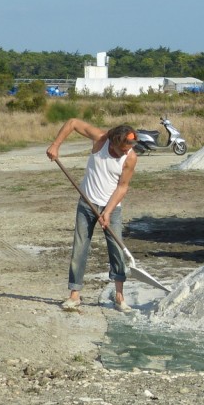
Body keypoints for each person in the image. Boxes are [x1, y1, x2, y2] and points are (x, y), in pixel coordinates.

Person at [46, 120, 139, 312]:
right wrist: (56, 145)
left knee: (117, 249)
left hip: (112, 206)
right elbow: (72, 123)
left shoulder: (130, 158)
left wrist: (108, 211)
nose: (125, 152)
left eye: (129, 148)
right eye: (123, 148)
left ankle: (119, 297)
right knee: (80, 247)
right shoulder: (100, 140)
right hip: (87, 203)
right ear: (113, 142)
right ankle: (74, 295)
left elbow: (123, 187)